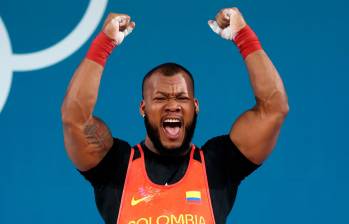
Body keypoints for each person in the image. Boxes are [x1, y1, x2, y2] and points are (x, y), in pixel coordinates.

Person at [61, 6, 289, 224]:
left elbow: (274, 108)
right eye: (160, 98)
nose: (173, 105)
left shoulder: (219, 165)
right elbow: (75, 117)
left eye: (182, 98)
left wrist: (243, 36)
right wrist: (103, 44)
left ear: (195, 106)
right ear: (143, 108)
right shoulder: (115, 167)